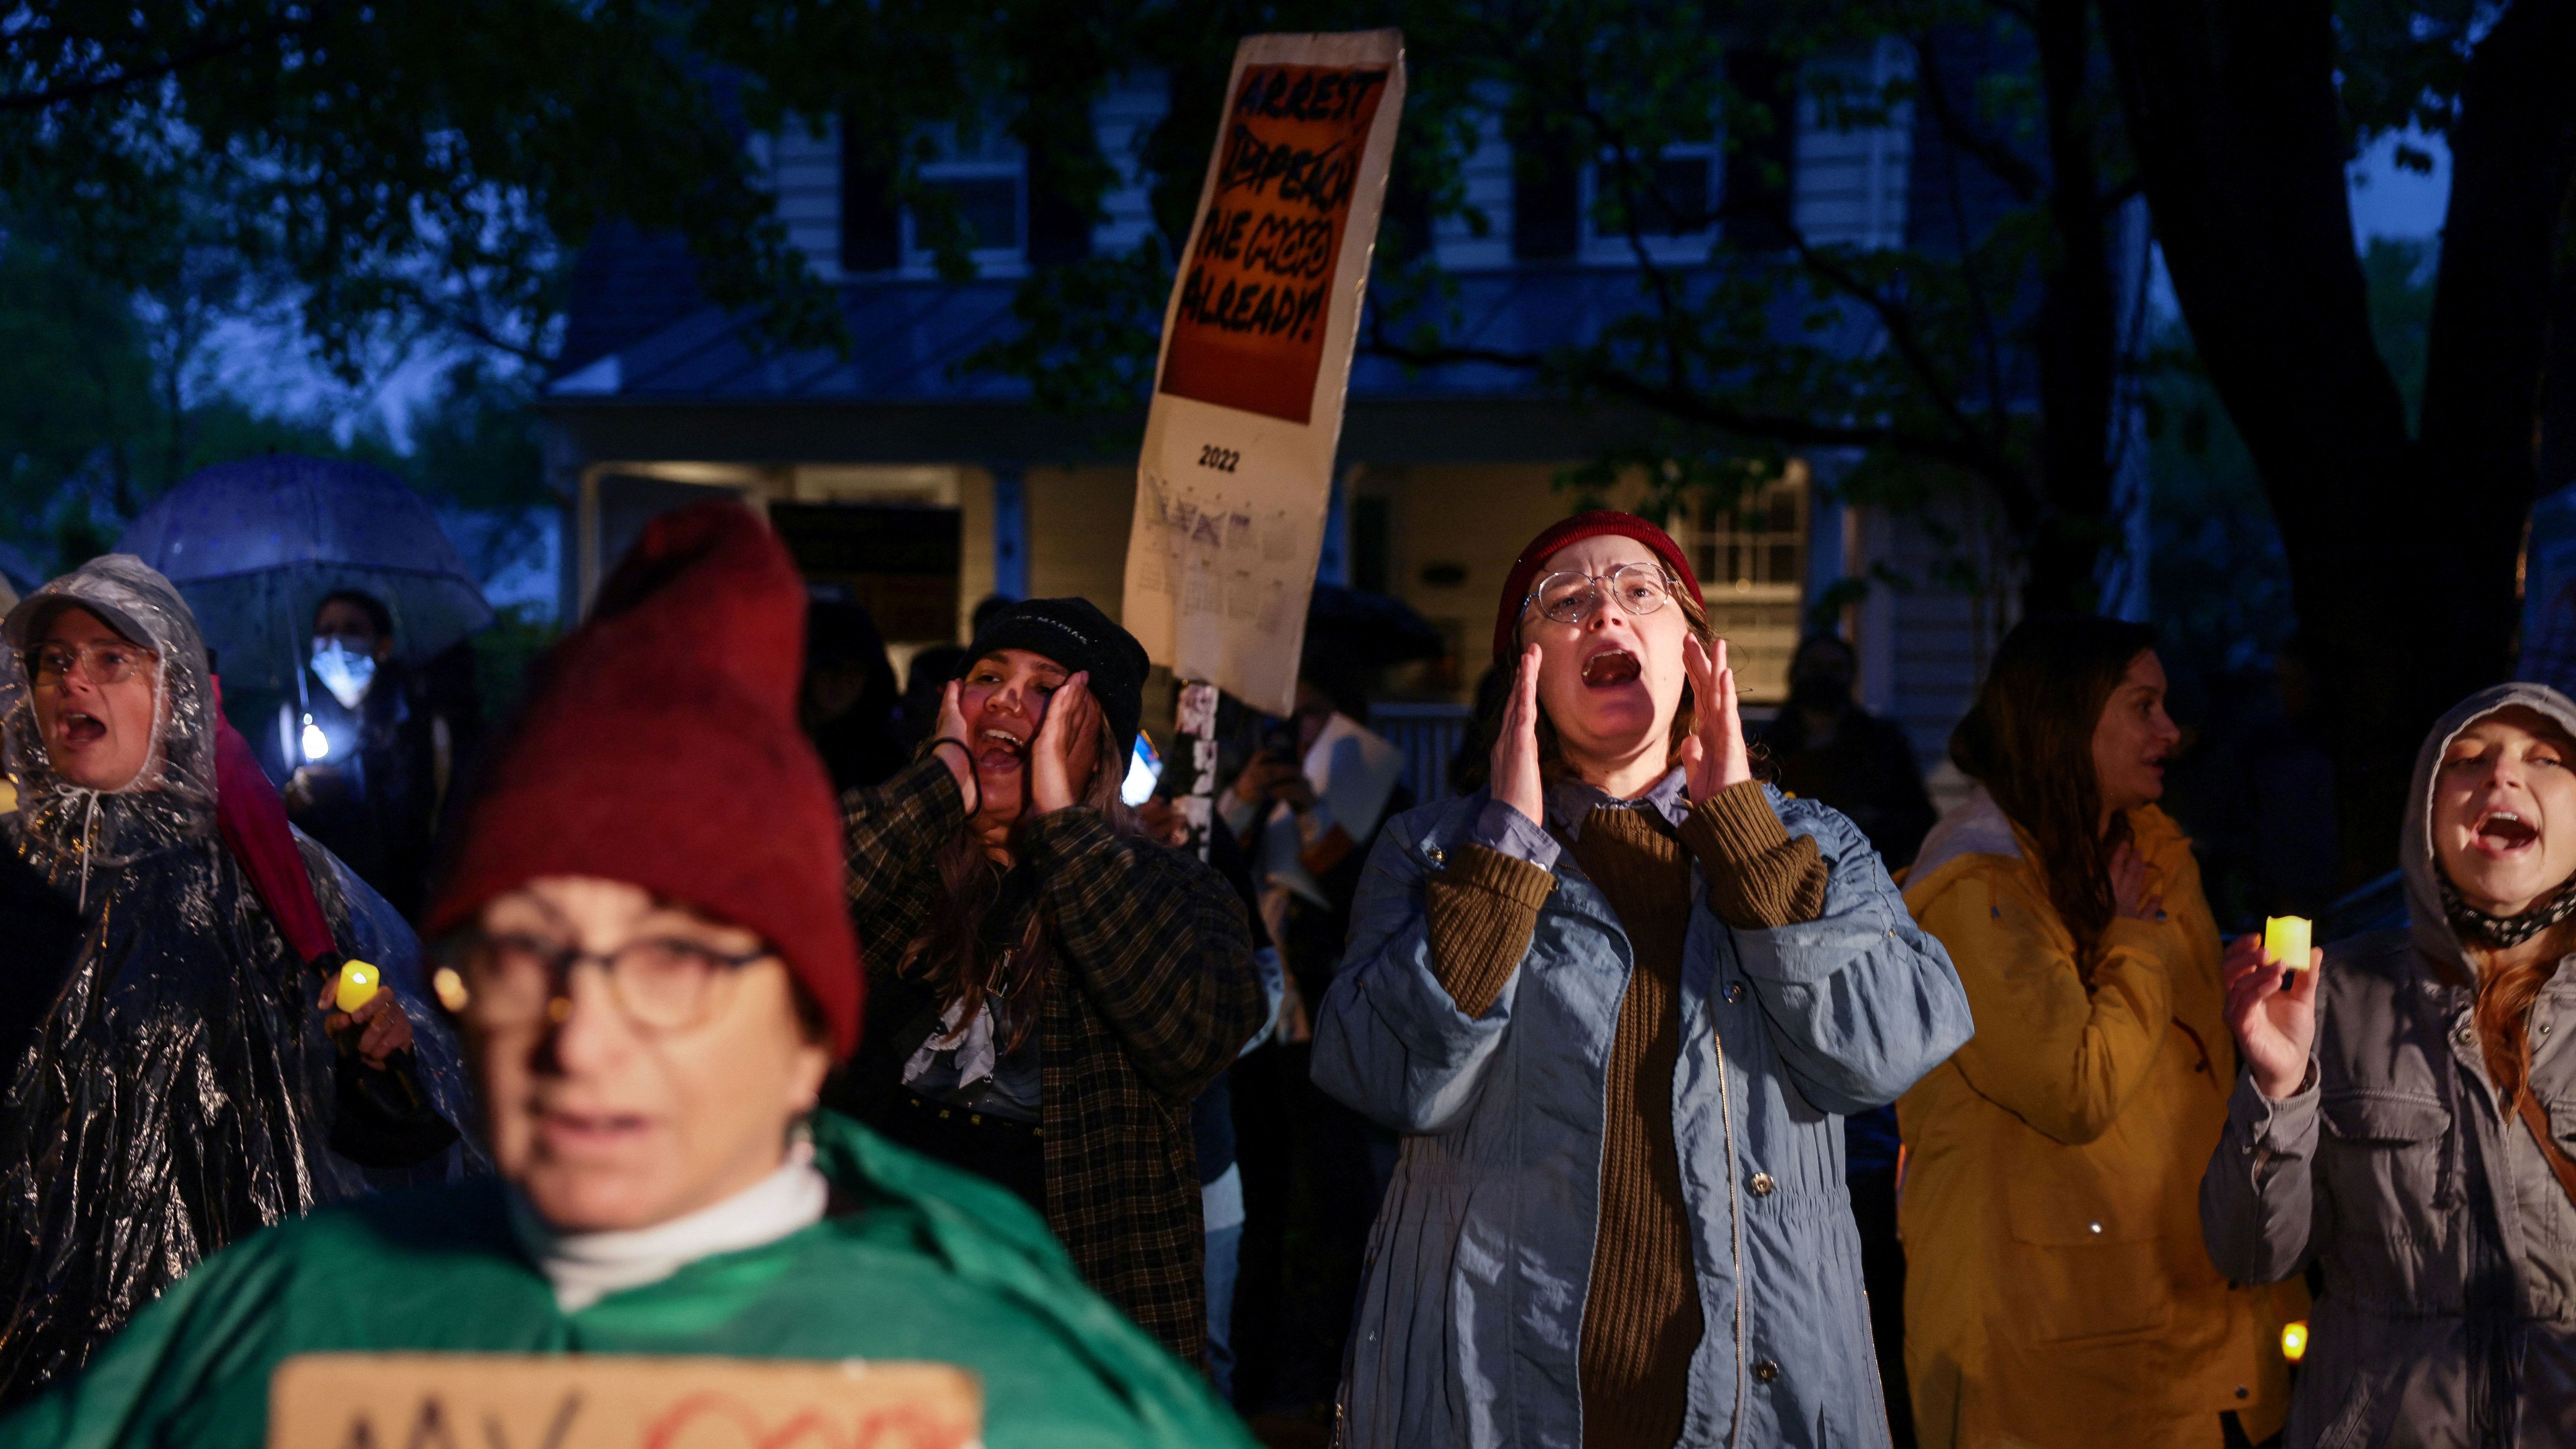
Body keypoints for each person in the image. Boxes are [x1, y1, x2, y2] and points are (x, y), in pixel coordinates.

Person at [0, 503, 1253, 1449]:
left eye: (665, 964)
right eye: (513, 962)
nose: (578, 1039)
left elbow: (1187, 1014)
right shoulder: (279, 1326)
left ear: (800, 1024)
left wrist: (1066, 830)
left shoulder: (1039, 1385)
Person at [1312, 510, 1974, 1449]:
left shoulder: (1817, 843)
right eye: (1566, 601)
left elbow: (1882, 1053)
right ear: (1526, 671)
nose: (1604, 614)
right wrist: (1505, 852)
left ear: (1696, 651)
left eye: (1638, 591)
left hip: (1759, 1396)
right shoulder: (1432, 852)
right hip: (1494, 1398)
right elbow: (1388, 1079)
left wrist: (1744, 834)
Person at [0, 555, 470, 1406]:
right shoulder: (16, 872)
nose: (75, 680)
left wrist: (376, 1058)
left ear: (178, 687)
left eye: (111, 659)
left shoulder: (281, 881)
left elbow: (390, 1132)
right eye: (54, 659)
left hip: (226, 1349)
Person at [1896, 615, 2304, 1449]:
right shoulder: (1977, 887)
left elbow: (2185, 1085)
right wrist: (2138, 944)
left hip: (2184, 1332)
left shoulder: (2153, 851)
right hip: (2050, 1363)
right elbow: (2074, 1089)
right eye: (2143, 704)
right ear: (2065, 719)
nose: (2171, 730)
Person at [830, 596, 1268, 1368]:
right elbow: (782, 898)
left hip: (1077, 1315)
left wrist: (1065, 823)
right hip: (892, 1293)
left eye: (1046, 689)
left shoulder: (1171, 889)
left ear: (1096, 738)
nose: (1003, 699)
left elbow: (1191, 1039)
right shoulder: (909, 872)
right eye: (987, 676)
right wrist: (943, 776)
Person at [2205, 682, 2576, 1446]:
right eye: (2467, 762)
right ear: (2427, 813)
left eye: (2544, 758)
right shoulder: (2328, 989)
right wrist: (2278, 1090)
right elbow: (2250, 1253)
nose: (2502, 777)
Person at [267, 588, 462, 919]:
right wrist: (296, 802)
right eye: (325, 630)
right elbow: (269, 823)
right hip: (323, 910)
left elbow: (441, 818)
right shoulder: (290, 723)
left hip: (406, 906)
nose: (336, 641)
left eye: (352, 630)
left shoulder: (420, 722)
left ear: (383, 645)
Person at [1758, 632, 1937, 868]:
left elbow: (1919, 820)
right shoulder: (1766, 746)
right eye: (1814, 666)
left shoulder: (1884, 745)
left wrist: (1869, 821)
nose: (1824, 676)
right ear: (1796, 673)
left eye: (1835, 668)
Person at [802, 597, 907, 791]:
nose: (842, 678)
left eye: (855, 670)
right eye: (830, 665)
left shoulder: (880, 759)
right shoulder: (773, 740)